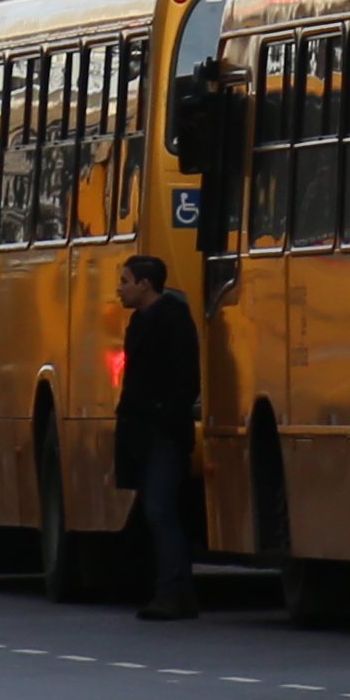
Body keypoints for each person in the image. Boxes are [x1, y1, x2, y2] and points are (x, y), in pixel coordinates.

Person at [115, 253, 203, 620]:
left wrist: (163, 414)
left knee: (160, 509)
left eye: (125, 280)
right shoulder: (139, 321)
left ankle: (173, 591)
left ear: (145, 284)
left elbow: (186, 378)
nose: (119, 289)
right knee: (157, 510)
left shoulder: (172, 320)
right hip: (145, 432)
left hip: (163, 433)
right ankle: (172, 589)